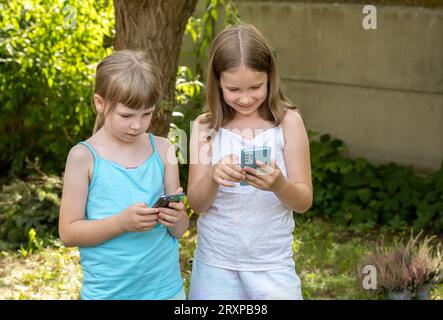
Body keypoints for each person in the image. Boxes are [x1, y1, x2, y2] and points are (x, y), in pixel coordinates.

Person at [187, 24, 312, 300]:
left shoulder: (288, 123)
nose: (245, 98)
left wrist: (279, 184)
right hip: (215, 265)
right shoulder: (204, 127)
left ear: (271, 77)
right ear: (217, 82)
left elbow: (303, 201)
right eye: (233, 89)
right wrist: (213, 176)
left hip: (272, 266)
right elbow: (196, 204)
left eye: (256, 87)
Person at [58, 50, 188, 300]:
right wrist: (121, 223)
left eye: (147, 114)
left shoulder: (163, 150)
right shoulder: (82, 157)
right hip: (109, 293)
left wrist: (177, 216)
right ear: (100, 103)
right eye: (127, 115)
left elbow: (180, 230)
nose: (137, 125)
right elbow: (69, 233)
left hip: (166, 291)